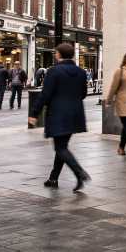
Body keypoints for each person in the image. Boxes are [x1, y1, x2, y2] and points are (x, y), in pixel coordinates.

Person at [28, 44, 90, 191]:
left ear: (59, 54)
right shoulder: (81, 72)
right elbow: (83, 94)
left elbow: (46, 94)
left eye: (56, 52)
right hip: (75, 113)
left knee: (60, 147)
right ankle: (53, 178)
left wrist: (34, 113)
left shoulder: (54, 70)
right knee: (62, 146)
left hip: (58, 113)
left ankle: (79, 172)